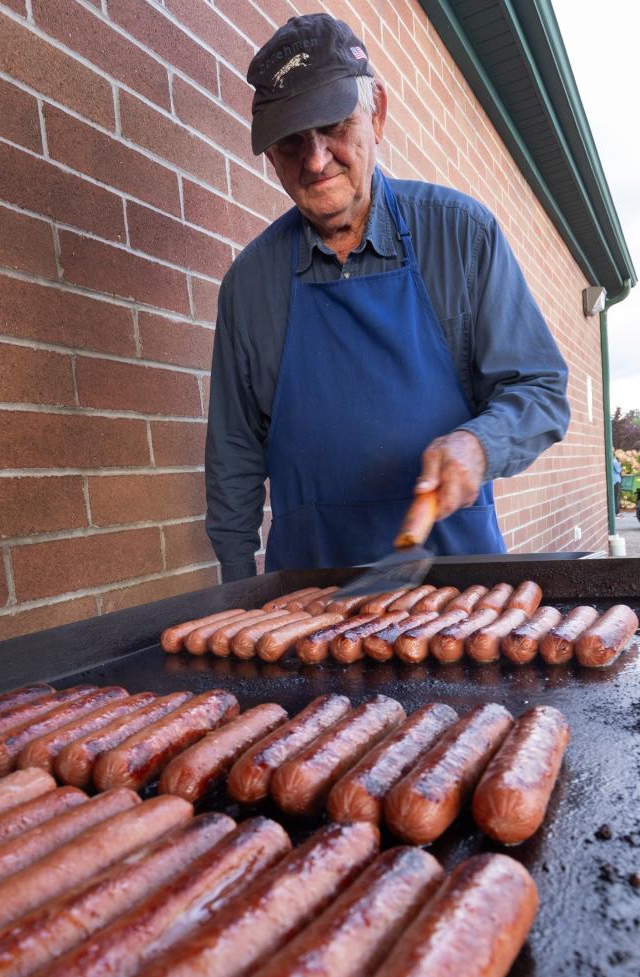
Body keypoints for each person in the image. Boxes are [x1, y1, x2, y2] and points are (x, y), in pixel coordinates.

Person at [205, 13, 570, 581]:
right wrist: (235, 589)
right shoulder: (249, 285)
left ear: (375, 111)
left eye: (334, 126)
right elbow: (234, 453)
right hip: (309, 602)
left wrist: (480, 443)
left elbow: (541, 388)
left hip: (458, 591)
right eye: (291, 142)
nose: (317, 160)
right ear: (272, 156)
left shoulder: (460, 234)